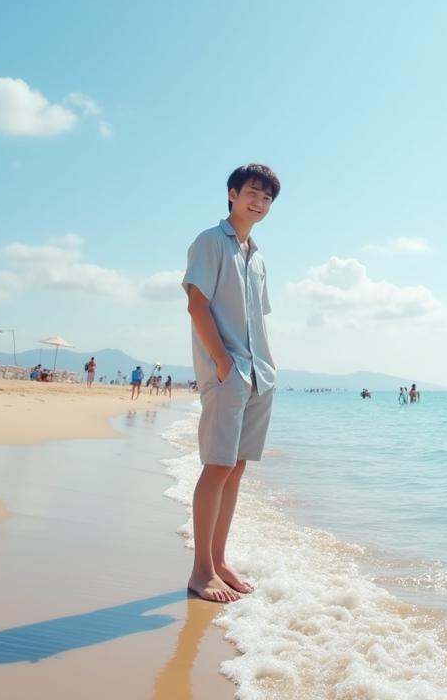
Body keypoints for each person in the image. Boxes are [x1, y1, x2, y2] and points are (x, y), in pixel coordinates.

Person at [182, 163, 281, 604]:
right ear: (232, 193)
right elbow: (196, 304)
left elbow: (258, 319)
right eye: (252, 194)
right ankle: (200, 570)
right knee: (217, 465)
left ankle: (219, 560)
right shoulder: (210, 242)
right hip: (229, 371)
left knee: (237, 469)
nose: (259, 203)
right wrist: (222, 362)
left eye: (267, 198)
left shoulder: (256, 255)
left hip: (260, 373)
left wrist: (264, 369)